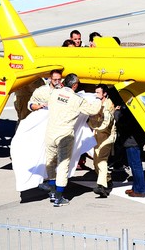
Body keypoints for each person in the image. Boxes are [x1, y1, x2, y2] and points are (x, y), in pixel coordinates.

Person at [42, 73, 102, 206]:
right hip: (64, 135)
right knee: (63, 164)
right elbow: (93, 110)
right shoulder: (77, 99)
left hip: (50, 133)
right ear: (75, 85)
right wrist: (98, 98)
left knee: (50, 162)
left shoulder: (54, 93)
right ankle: (59, 197)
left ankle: (52, 191)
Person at [88, 84, 117, 197]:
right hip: (97, 135)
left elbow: (105, 123)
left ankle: (102, 186)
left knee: (102, 160)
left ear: (104, 93)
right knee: (96, 163)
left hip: (107, 136)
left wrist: (92, 125)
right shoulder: (96, 103)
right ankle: (108, 180)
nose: (96, 95)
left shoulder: (108, 105)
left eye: (98, 93)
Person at [115, 101, 145, 198]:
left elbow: (124, 123)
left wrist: (116, 112)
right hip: (137, 139)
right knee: (135, 165)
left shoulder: (129, 108)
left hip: (132, 141)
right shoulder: (137, 105)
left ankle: (140, 190)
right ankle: (136, 187)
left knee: (136, 166)